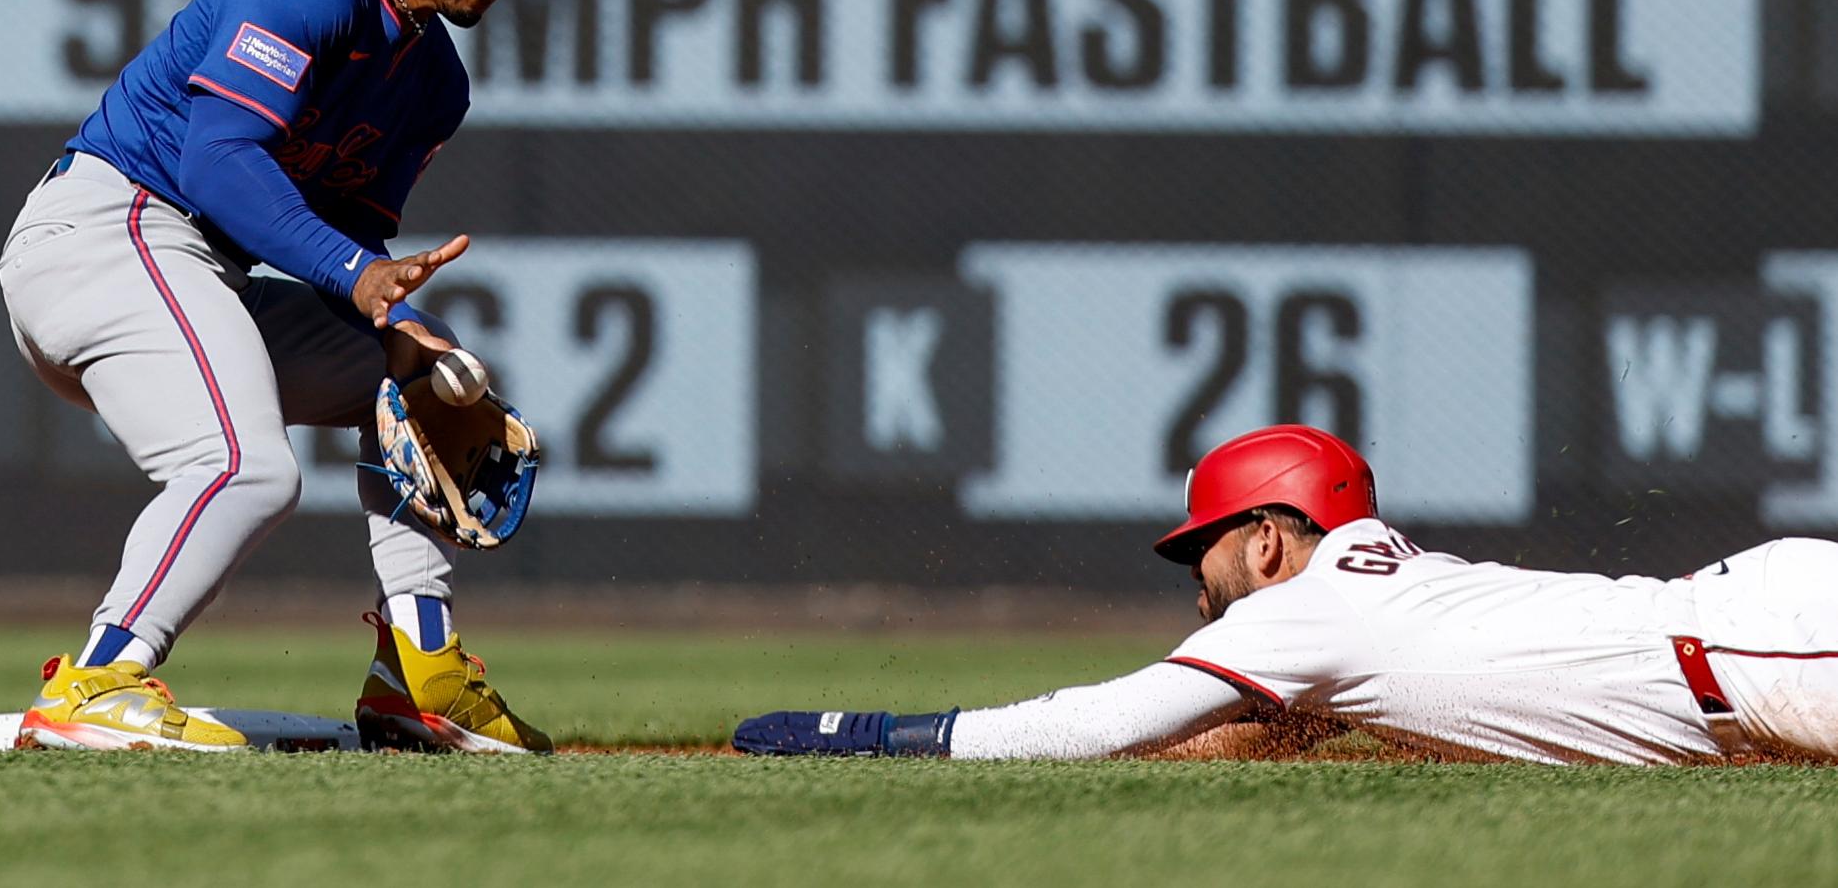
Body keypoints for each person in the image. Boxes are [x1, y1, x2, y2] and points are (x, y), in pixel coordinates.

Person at [0, 0, 573, 753]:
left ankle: (415, 673)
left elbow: (337, 236)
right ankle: (95, 683)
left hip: (193, 271)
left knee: (422, 378)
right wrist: (358, 275)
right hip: (108, 230)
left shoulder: (438, 86)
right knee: (245, 468)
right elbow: (218, 166)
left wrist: (390, 320)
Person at [735, 424, 1838, 765]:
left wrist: (881, 732)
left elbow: (1096, 720)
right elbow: (1243, 734)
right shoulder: (1389, 591)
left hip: (1766, 651)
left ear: (1267, 539)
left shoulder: (1305, 613)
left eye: (1204, 551)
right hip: (1761, 630)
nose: (1198, 582)